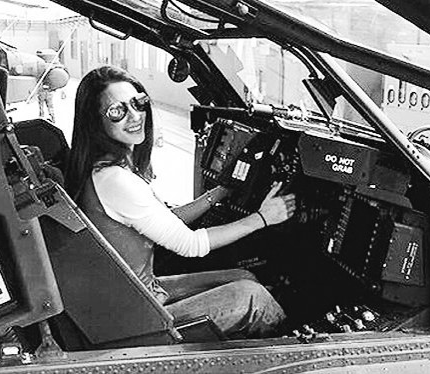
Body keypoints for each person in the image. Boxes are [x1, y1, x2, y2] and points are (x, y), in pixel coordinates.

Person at [65, 65, 297, 339]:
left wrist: (218, 192)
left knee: (244, 277)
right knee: (253, 297)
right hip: (134, 318)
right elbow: (191, 244)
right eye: (117, 111)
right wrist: (262, 219)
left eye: (138, 103)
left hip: (136, 292)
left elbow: (166, 220)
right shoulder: (115, 181)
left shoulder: (108, 169)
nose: (135, 116)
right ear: (95, 122)